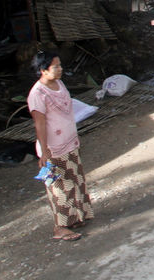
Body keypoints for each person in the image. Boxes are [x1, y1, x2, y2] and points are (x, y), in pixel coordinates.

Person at [27, 51, 93, 241]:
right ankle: (60, 227)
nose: (60, 69)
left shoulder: (59, 84)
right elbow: (39, 124)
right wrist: (45, 151)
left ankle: (76, 218)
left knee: (75, 181)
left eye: (60, 65)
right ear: (43, 71)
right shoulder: (37, 94)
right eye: (55, 67)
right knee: (59, 188)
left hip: (69, 143)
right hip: (53, 149)